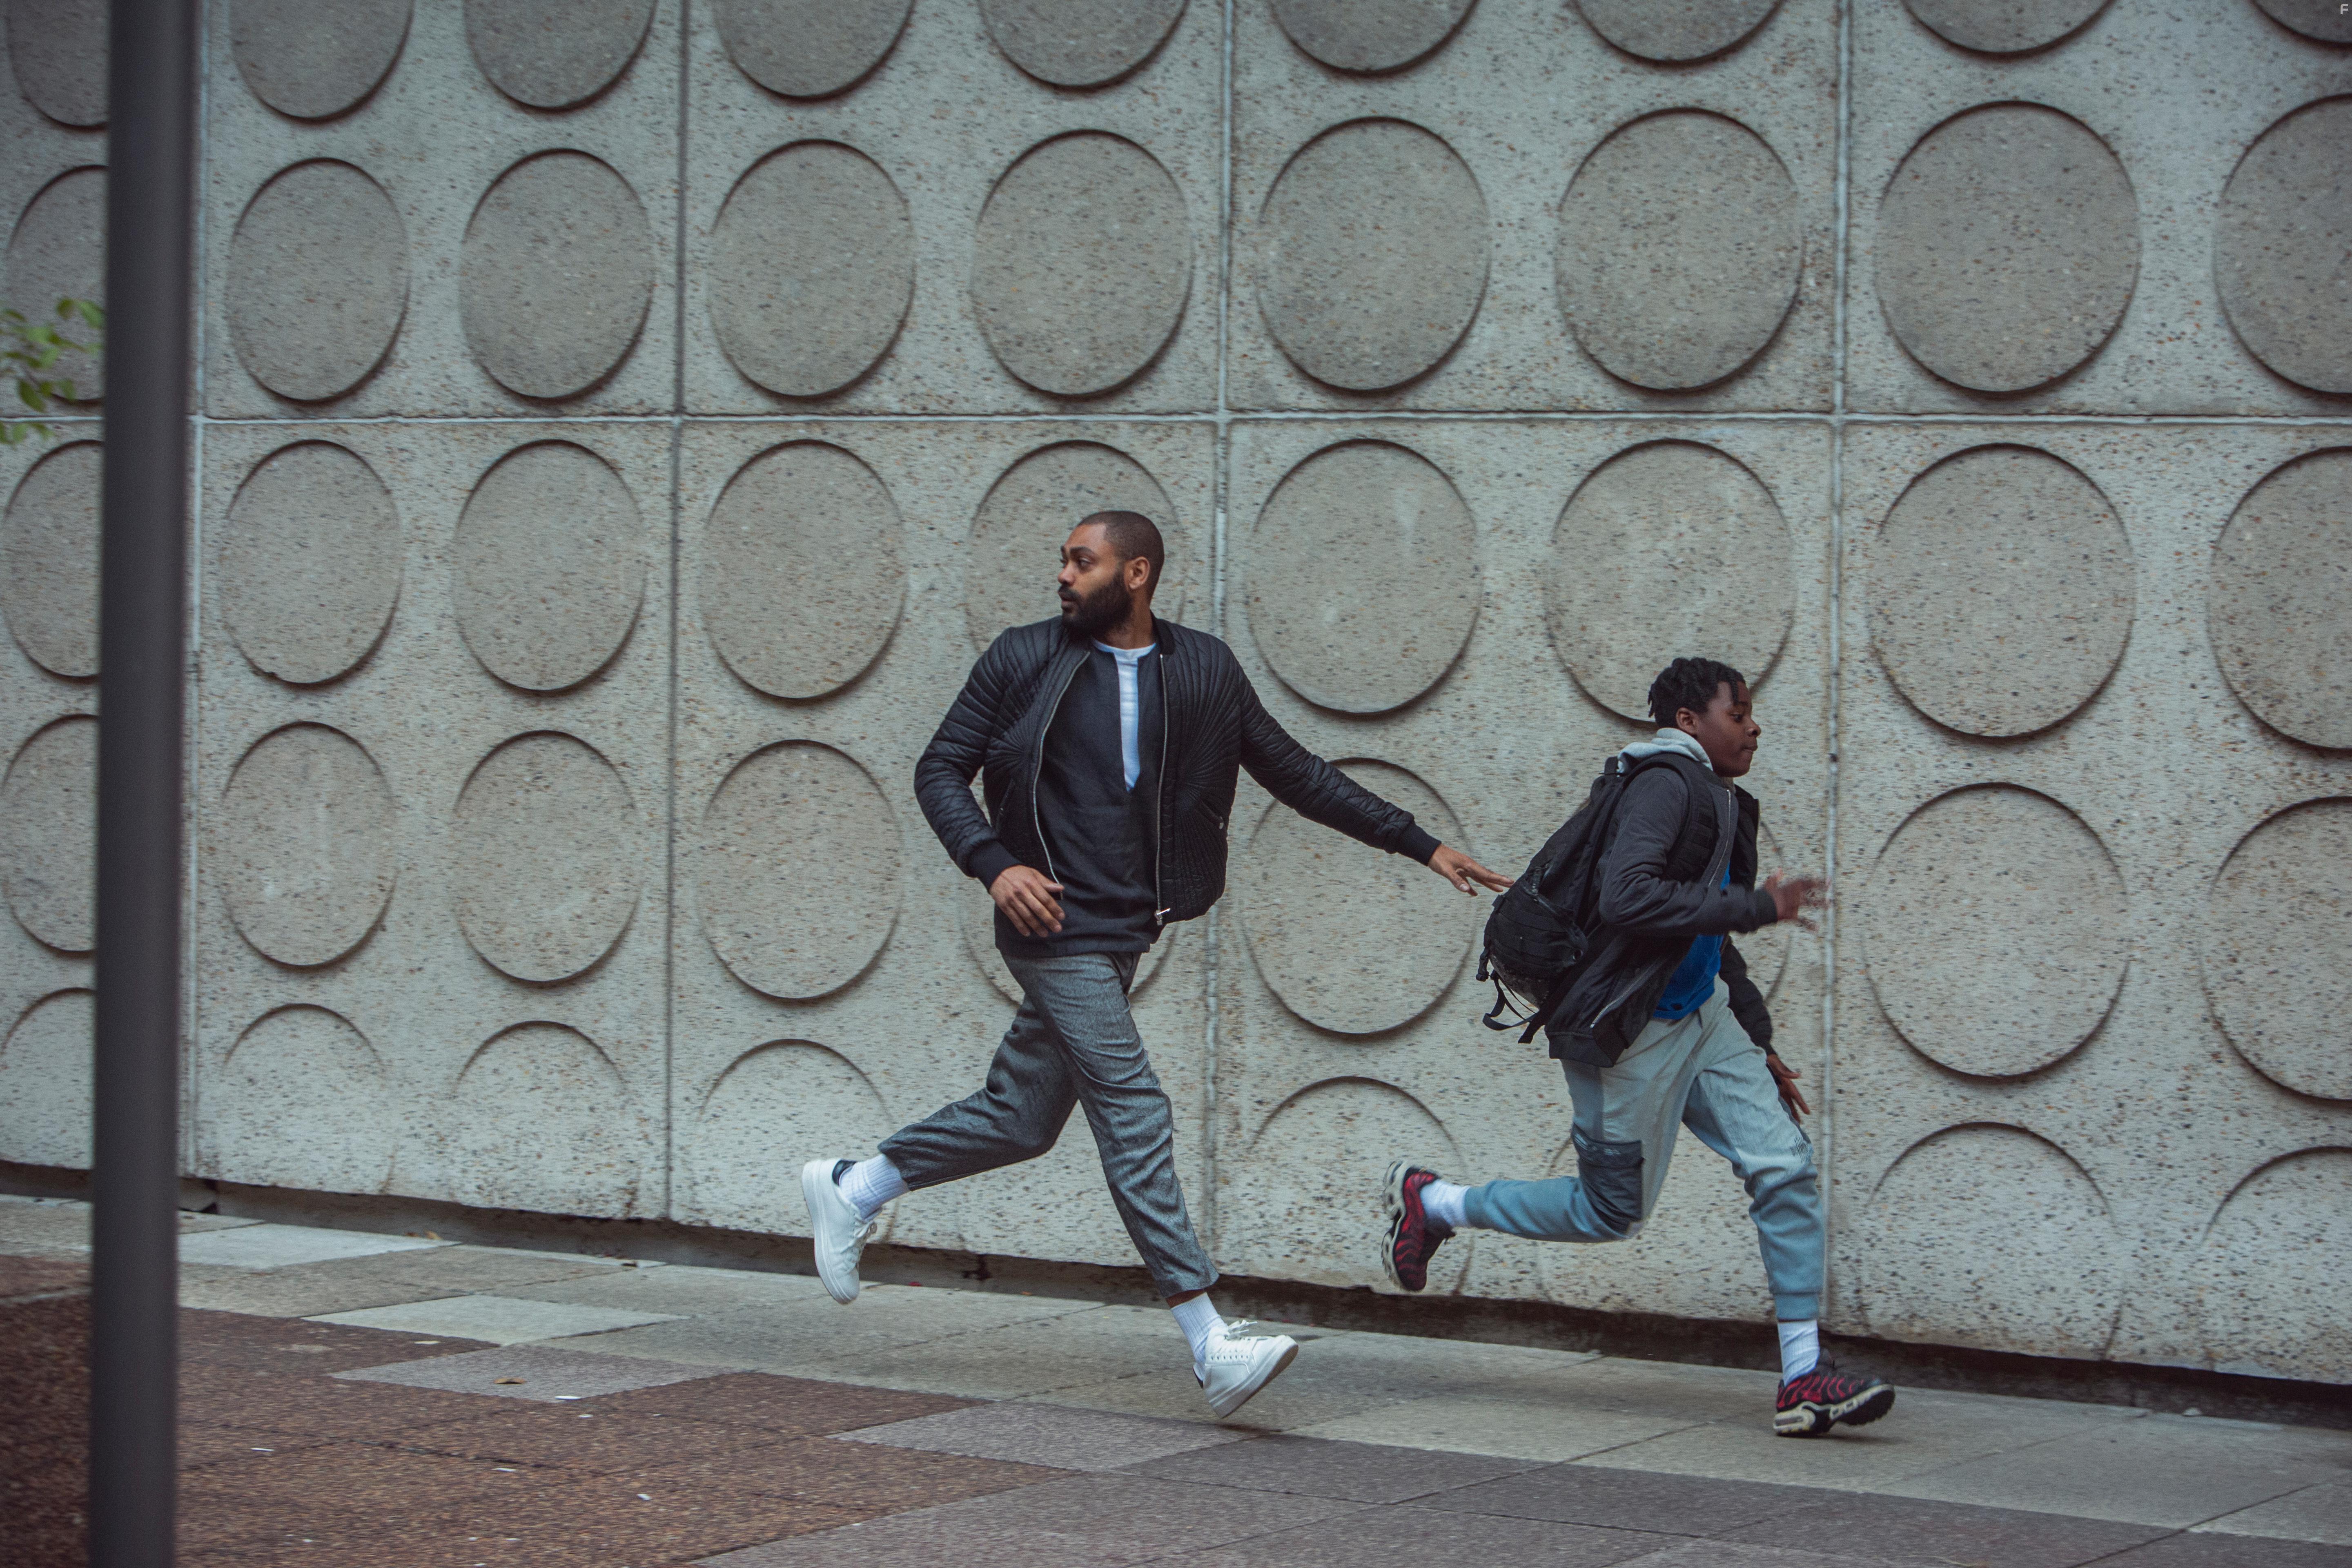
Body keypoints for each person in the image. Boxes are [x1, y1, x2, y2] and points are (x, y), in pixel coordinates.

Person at [801, 509, 1513, 1420]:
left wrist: (1419, 844)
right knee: (1135, 1107)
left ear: (1136, 574)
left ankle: (852, 1186)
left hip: (1125, 929)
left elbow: (1294, 772)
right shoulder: (1022, 658)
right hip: (1052, 925)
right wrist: (995, 863)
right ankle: (1209, 1337)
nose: (1062, 574)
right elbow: (940, 768)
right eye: (1061, 558)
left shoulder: (1202, 669)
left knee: (1022, 1118)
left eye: (1081, 561)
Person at [1381, 657, 1898, 1438]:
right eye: (1739, 712)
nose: (1754, 725)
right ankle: (1434, 1202)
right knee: (1608, 1212)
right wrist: (1763, 904)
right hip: (1632, 1031)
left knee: (1785, 1165)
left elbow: (1710, 937)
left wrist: (1758, 1042)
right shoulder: (1664, 782)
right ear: (1689, 721)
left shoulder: (1722, 799)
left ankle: (1802, 1378)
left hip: (1706, 1017)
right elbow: (1629, 895)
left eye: (1754, 713)